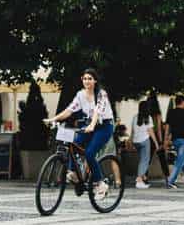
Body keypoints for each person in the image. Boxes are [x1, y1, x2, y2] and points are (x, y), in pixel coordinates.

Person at [46, 68, 116, 198]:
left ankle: (101, 183)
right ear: (82, 80)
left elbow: (98, 111)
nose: (87, 81)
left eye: (90, 78)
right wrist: (53, 119)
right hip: (89, 124)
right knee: (75, 144)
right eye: (85, 78)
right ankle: (74, 174)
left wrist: (92, 125)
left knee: (89, 153)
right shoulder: (80, 94)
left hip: (104, 126)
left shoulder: (101, 94)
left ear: (95, 80)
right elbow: (69, 110)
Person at [132, 101, 158, 189]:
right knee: (145, 161)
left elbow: (132, 131)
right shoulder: (148, 117)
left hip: (136, 141)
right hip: (144, 141)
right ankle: (139, 180)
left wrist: (131, 141)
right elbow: (150, 131)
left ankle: (143, 178)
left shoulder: (135, 117)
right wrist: (156, 143)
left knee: (142, 161)